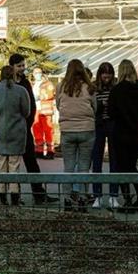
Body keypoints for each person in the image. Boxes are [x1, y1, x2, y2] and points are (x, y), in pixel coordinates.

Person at [10, 54, 59, 204]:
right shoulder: (7, 83)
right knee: (13, 165)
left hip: (24, 128)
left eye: (23, 65)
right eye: (19, 66)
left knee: (32, 162)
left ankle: (39, 194)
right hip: (12, 129)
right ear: (11, 66)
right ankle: (14, 197)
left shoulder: (25, 83)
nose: (22, 68)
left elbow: (30, 103)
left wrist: (28, 121)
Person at [108, 59, 138, 214]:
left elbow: (111, 112)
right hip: (137, 133)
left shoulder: (117, 90)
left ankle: (127, 200)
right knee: (132, 166)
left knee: (122, 168)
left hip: (121, 133)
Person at [56, 59, 96, 212]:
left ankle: (67, 198)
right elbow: (95, 107)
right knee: (84, 166)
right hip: (87, 130)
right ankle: (82, 198)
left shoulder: (61, 87)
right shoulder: (90, 88)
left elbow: (59, 106)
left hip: (67, 130)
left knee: (69, 166)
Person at [0, 66, 30, 206]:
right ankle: (14, 197)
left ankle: (2, 197)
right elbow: (26, 111)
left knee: (0, 165)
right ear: (13, 75)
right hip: (17, 131)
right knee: (14, 165)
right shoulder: (21, 91)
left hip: (0, 130)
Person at [90, 62, 120, 209]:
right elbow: (90, 106)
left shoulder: (116, 86)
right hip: (99, 124)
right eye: (104, 73)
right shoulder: (94, 87)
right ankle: (98, 196)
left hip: (113, 124)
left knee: (114, 160)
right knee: (97, 160)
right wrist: (100, 104)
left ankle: (114, 196)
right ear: (100, 74)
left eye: (109, 73)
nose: (106, 76)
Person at [31, 67, 56, 159]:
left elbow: (51, 93)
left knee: (48, 130)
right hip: (35, 110)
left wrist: (39, 96)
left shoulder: (48, 83)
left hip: (45, 110)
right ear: (33, 74)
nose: (38, 74)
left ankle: (50, 151)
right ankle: (39, 151)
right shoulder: (32, 84)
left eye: (39, 72)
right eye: (36, 73)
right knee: (37, 130)